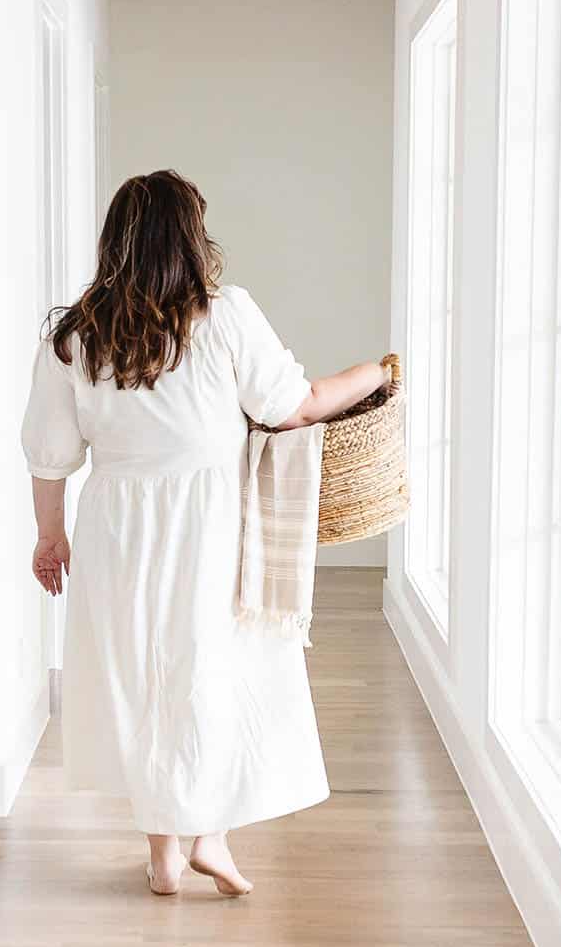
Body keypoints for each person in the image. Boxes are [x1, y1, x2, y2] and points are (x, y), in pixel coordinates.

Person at [21, 169, 390, 897]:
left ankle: (165, 850)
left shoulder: (75, 337)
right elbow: (296, 405)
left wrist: (50, 538)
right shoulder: (223, 314)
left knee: (143, 676)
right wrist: (375, 372)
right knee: (211, 669)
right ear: (189, 238)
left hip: (119, 521)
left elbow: (51, 455)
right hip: (211, 522)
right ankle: (208, 838)